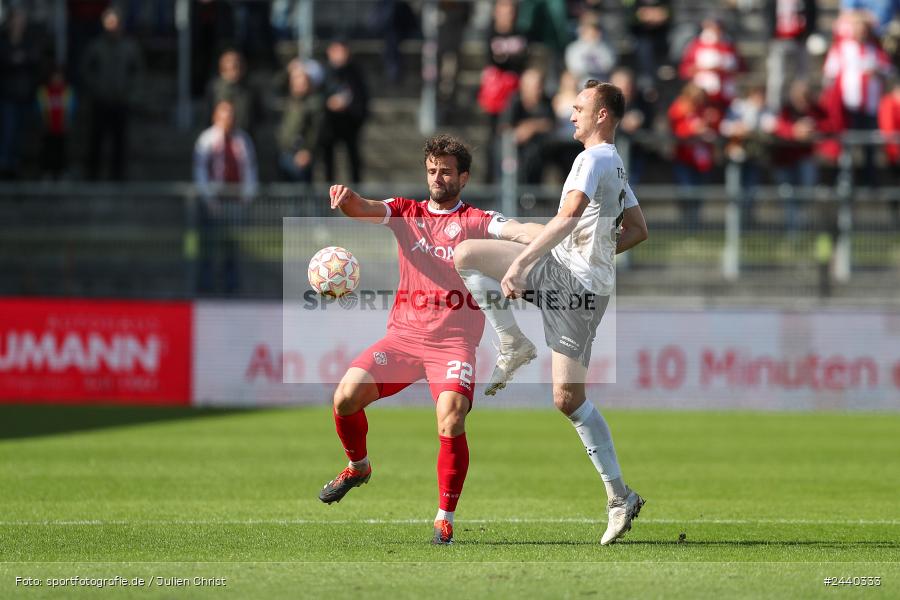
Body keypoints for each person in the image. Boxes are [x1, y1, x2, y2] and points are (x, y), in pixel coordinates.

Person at [319, 134, 542, 545]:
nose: (437, 178)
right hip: (403, 339)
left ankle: (444, 516)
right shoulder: (408, 211)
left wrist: (551, 236)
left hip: (453, 343)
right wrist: (346, 197)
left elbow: (518, 229)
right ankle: (358, 466)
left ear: (464, 177)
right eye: (432, 170)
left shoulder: (477, 219)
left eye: (446, 171)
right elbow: (365, 209)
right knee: (344, 398)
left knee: (452, 416)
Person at [452, 80, 649, 545]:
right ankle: (513, 342)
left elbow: (566, 218)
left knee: (567, 399)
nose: (571, 115)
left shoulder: (593, 159)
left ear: (602, 115)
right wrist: (595, 251)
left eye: (579, 108)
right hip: (570, 273)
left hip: (577, 289)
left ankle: (620, 497)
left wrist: (523, 262)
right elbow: (638, 229)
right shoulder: (616, 165)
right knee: (466, 255)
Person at [193, 100, 258, 295]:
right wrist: (209, 199)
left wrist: (247, 196)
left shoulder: (242, 140)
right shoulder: (206, 140)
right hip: (213, 201)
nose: (227, 120)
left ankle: (231, 285)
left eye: (230, 116)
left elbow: (250, 168)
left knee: (232, 246)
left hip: (235, 201)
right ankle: (206, 284)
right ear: (215, 117)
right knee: (208, 244)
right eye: (223, 115)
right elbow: (200, 171)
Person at [80, 6, 143, 180]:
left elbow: (137, 72)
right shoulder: (96, 46)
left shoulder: (129, 47)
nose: (112, 27)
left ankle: (118, 176)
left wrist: (129, 92)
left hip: (120, 101)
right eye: (108, 23)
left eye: (114, 23)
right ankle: (92, 176)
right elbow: (86, 70)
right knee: (95, 141)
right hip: (100, 101)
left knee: (119, 142)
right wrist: (96, 88)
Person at [321, 39, 369, 183]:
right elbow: (319, 96)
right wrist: (329, 103)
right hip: (329, 125)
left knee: (353, 160)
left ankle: (357, 195)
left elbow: (362, 97)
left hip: (351, 124)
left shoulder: (355, 72)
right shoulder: (324, 73)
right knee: (328, 162)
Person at [277, 59, 325, 183]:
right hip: (285, 151)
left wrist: (308, 150)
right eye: (295, 81)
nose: (298, 84)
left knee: (301, 191)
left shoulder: (313, 103)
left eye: (302, 81)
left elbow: (315, 130)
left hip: (301, 154)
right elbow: (276, 86)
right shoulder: (290, 100)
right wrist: (287, 71)